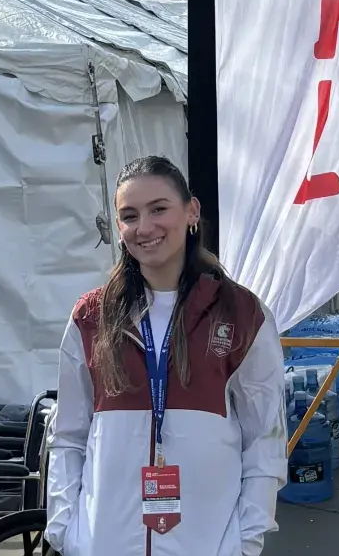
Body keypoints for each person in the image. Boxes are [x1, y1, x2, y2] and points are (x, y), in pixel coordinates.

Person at [45, 155, 285, 556]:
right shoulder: (91, 317)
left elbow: (265, 438)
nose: (145, 227)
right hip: (104, 544)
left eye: (159, 209)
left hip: (208, 545)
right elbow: (69, 435)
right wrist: (67, 532)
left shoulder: (241, 314)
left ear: (191, 211)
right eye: (130, 215)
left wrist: (244, 541)